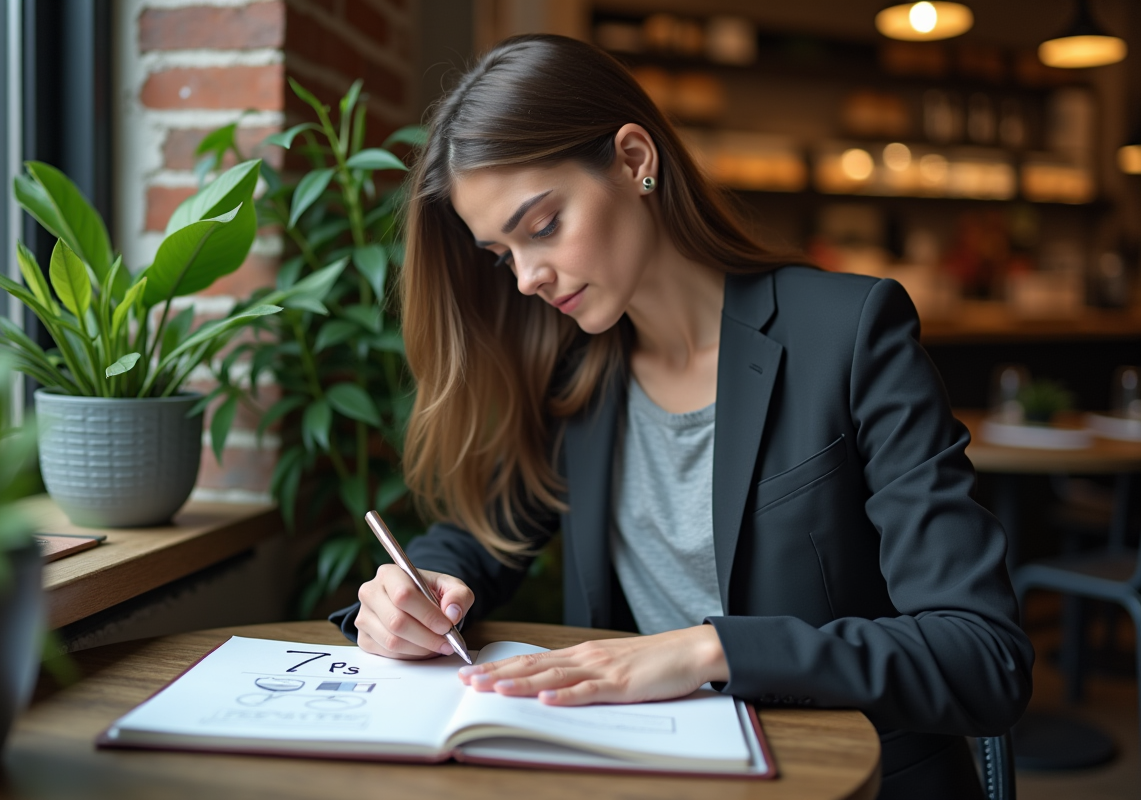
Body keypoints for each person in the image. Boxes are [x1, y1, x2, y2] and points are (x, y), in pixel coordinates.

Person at [330, 34, 1032, 799]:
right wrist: (422, 588)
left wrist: (708, 652)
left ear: (635, 160)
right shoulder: (574, 370)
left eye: (543, 226)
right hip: (650, 774)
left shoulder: (848, 334)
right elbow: (484, 535)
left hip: (849, 781)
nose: (526, 278)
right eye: (502, 254)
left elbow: (983, 656)